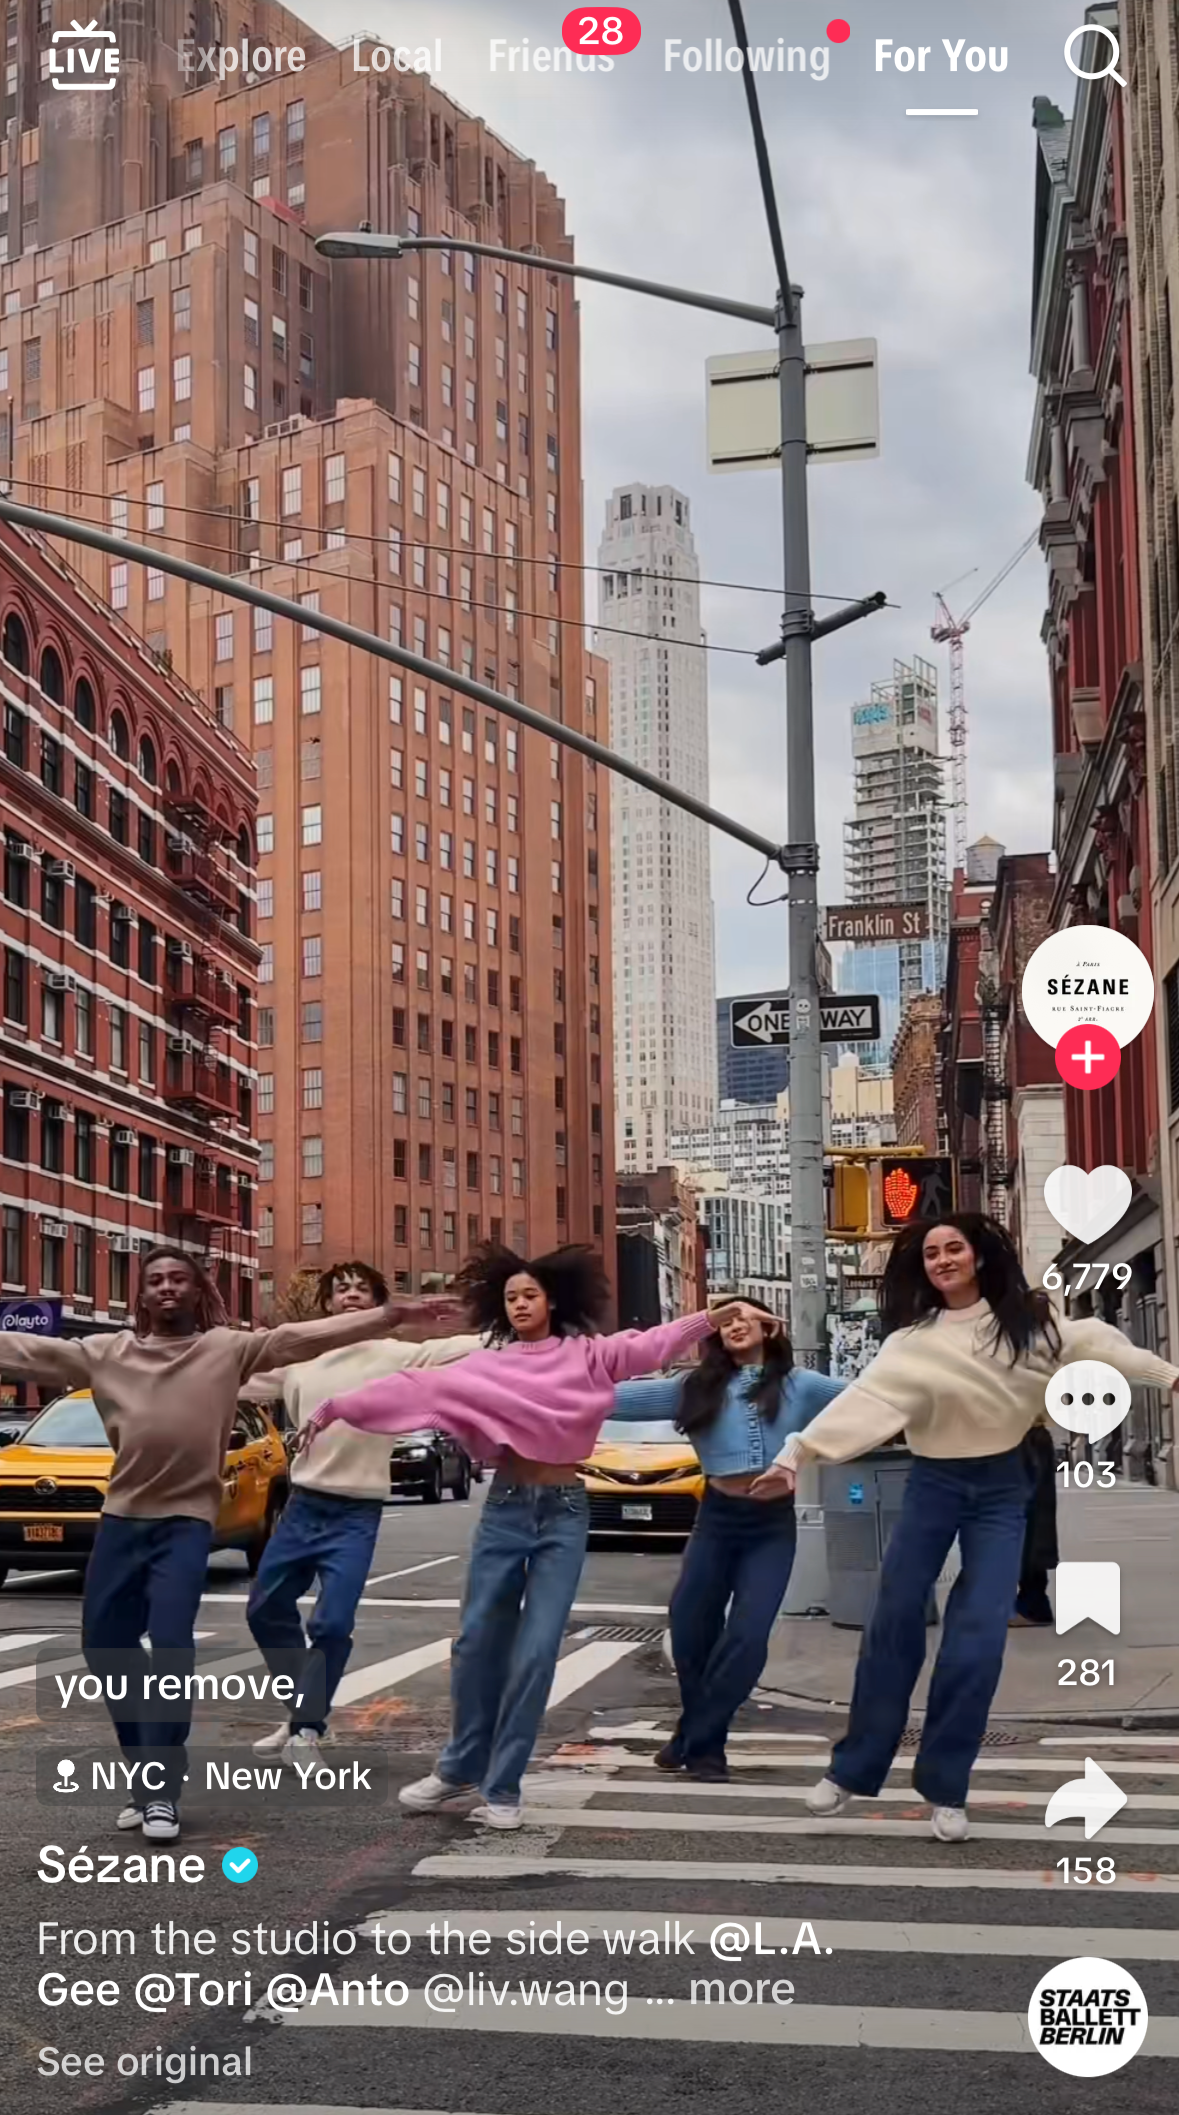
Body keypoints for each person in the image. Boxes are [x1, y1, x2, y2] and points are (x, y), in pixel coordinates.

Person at [749, 1215, 1179, 1843]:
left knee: (976, 1643)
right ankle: (851, 1769)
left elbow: (1099, 1342)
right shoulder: (910, 1343)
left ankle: (947, 1787)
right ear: (922, 1268)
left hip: (1003, 1489)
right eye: (931, 1253)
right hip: (933, 1485)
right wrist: (794, 1456)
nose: (943, 1259)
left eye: (955, 1248)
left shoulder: (1030, 1325)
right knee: (893, 1621)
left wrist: (1169, 1377)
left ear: (978, 1256)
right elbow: (863, 1404)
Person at [0, 1246, 451, 1841]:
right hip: (121, 1520)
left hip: (187, 1525)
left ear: (198, 1292)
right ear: (141, 1295)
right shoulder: (107, 1354)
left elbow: (302, 1336)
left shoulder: (226, 1350)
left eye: (179, 1280)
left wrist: (391, 1316)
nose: (166, 1288)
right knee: (106, 1647)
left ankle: (161, 1792)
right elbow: (27, 1351)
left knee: (169, 1650)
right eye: (155, 1280)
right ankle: (146, 1775)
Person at [299, 1243, 754, 1829]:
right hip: (506, 1510)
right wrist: (335, 1406)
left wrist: (713, 1316)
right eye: (510, 1297)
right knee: (474, 1642)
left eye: (529, 1295)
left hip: (564, 1512)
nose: (519, 1304)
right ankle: (459, 1765)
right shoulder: (487, 1364)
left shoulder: (590, 1356)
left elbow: (650, 1345)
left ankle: (504, 1786)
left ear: (552, 1300)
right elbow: (414, 1389)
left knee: (537, 1652)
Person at [246, 1260, 479, 1763]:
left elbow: (462, 1349)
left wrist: (531, 1333)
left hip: (356, 1514)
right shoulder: (302, 1361)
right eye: (340, 1290)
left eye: (361, 1290)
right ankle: (302, 1713)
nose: (350, 1296)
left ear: (376, 1302)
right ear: (328, 1303)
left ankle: (307, 1730)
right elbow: (230, 1379)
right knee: (265, 1610)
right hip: (302, 1505)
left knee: (331, 1624)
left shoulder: (396, 1356)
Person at [611, 1298, 845, 1781]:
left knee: (747, 1636)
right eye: (725, 1320)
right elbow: (607, 1398)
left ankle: (698, 1739)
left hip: (771, 1525)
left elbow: (872, 1402)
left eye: (745, 1317)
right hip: (716, 1520)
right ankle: (701, 1742)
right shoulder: (693, 1387)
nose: (735, 1325)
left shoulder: (800, 1385)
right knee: (690, 1624)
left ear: (771, 1326)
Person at [1012, 1416, 1058, 1627]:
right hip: (1023, 1435)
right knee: (1033, 1519)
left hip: (1020, 1437)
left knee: (1030, 1521)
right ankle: (1032, 1602)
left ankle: (1033, 1604)